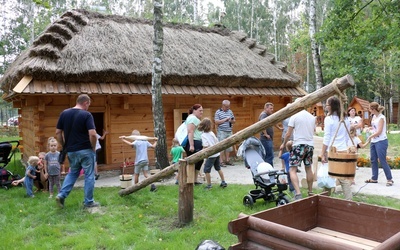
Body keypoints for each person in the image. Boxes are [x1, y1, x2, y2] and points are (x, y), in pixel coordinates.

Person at [55, 94, 99, 209]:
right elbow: (93, 134)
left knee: (73, 173)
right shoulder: (86, 115)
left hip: (71, 151)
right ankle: (88, 202)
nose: (88, 107)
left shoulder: (64, 113)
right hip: (85, 150)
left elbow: (58, 132)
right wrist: (93, 147)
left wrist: (64, 145)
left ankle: (61, 195)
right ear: (86, 103)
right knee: (89, 175)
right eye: (89, 104)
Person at [280, 102, 315, 200]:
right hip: (310, 145)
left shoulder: (294, 116)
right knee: (308, 168)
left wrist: (284, 144)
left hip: (299, 145)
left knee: (292, 170)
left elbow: (288, 133)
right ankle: (310, 191)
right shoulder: (312, 117)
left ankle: (298, 194)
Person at [321, 96, 352, 200]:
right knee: (343, 178)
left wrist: (323, 152)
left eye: (327, 104)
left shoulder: (329, 119)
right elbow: (347, 137)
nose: (326, 106)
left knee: (328, 176)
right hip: (342, 149)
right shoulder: (345, 118)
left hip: (333, 150)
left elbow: (327, 137)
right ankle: (349, 200)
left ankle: (325, 199)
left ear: (332, 106)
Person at [365, 102, 394, 186]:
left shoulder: (382, 117)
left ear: (373, 109)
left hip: (381, 141)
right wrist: (369, 128)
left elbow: (379, 131)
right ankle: (374, 178)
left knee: (382, 160)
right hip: (374, 142)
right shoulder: (374, 117)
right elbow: (375, 127)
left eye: (370, 109)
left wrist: (370, 136)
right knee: (373, 160)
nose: (370, 111)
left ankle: (389, 179)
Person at [198, 118, 228, 190]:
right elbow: (216, 142)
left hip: (210, 155)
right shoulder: (212, 133)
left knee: (206, 170)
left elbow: (205, 145)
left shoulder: (203, 135)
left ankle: (209, 185)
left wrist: (201, 151)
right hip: (216, 154)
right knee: (218, 168)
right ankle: (223, 182)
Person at [184, 104, 205, 184]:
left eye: (202, 110)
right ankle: (190, 180)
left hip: (197, 142)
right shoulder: (192, 118)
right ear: (194, 110)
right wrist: (191, 145)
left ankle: (194, 180)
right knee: (194, 161)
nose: (201, 112)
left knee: (199, 161)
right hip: (194, 142)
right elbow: (190, 131)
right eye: (200, 110)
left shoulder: (194, 118)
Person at [259, 102, 281, 166]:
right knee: (269, 156)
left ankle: (269, 170)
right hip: (265, 139)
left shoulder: (268, 115)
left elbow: (273, 122)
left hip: (269, 138)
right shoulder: (264, 115)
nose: (272, 109)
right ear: (266, 108)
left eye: (272, 108)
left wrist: (279, 128)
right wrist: (265, 134)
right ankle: (269, 171)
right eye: (270, 108)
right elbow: (262, 125)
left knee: (270, 155)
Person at [214, 100, 235, 166]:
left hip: (229, 131)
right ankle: (221, 161)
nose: (228, 108)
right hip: (221, 131)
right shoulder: (218, 112)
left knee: (229, 146)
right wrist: (225, 119)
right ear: (223, 106)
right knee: (221, 146)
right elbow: (216, 122)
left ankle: (227, 160)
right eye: (226, 107)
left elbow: (234, 121)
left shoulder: (230, 111)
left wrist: (231, 121)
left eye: (229, 106)